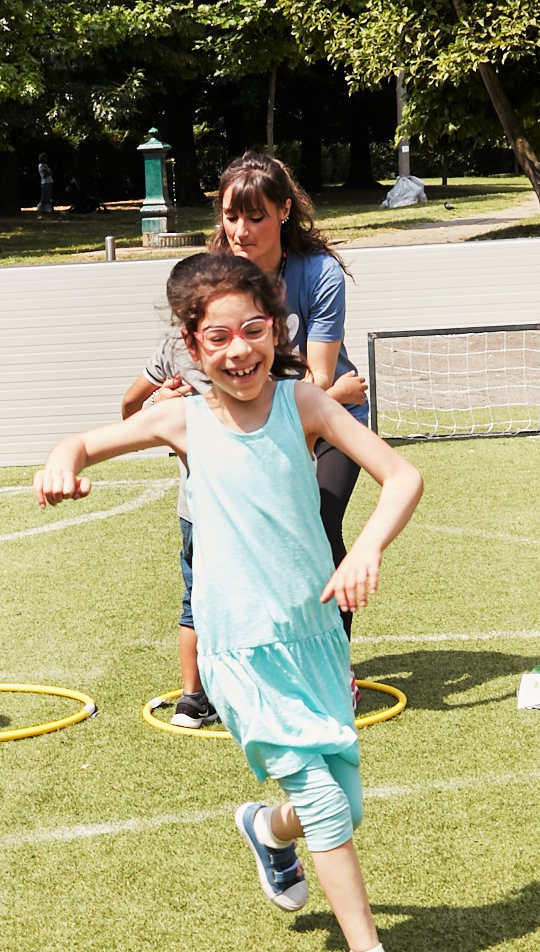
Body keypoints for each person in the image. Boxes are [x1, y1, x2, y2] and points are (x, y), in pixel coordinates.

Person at [42, 253, 428, 952]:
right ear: (191, 345)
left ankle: (266, 829)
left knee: (342, 805)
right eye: (217, 337)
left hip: (314, 638)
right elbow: (83, 441)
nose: (238, 350)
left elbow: (403, 477)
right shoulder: (181, 419)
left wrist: (365, 549)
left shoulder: (305, 402)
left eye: (253, 329)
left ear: (276, 330)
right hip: (240, 650)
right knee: (323, 798)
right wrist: (62, 461)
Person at [119, 151, 369, 729]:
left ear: (284, 212)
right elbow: (182, 365)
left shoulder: (319, 274)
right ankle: (239, 668)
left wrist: (333, 393)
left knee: (319, 527)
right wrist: (173, 399)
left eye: (255, 217)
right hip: (253, 418)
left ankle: (334, 670)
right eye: (232, 216)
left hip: (324, 416)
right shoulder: (214, 275)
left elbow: (319, 380)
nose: (241, 231)